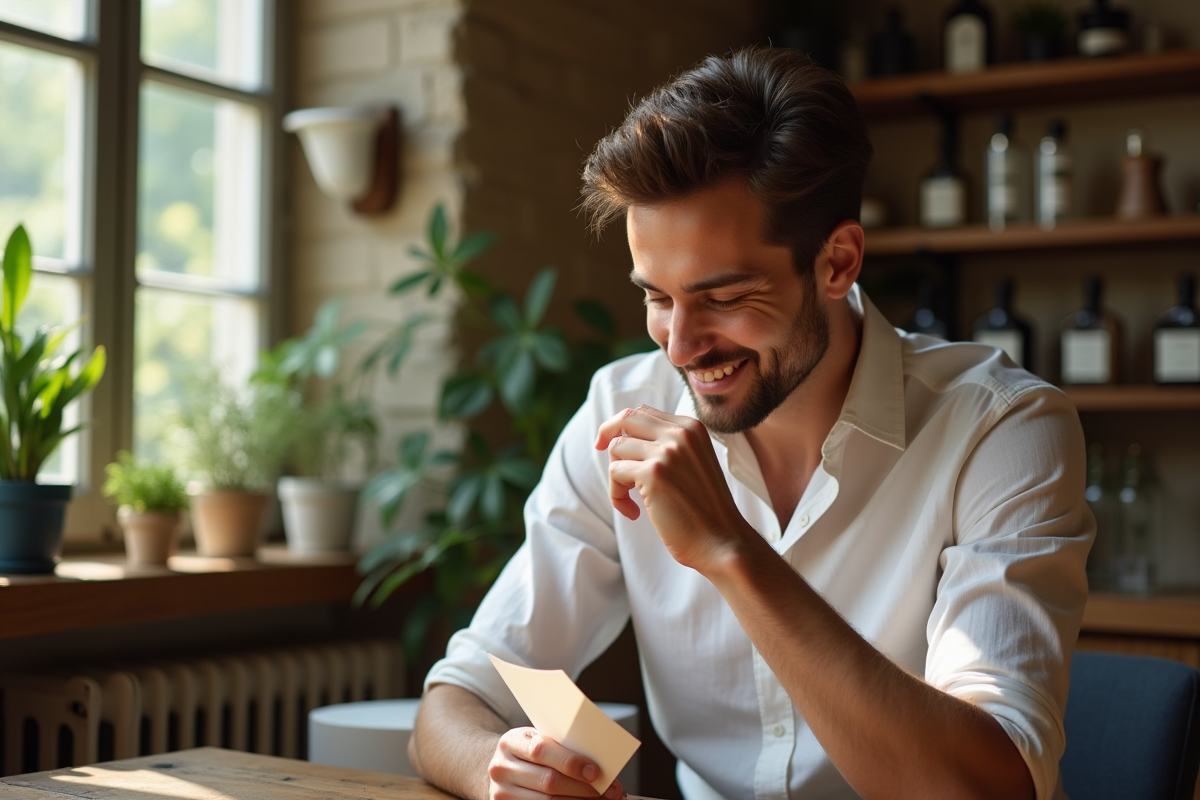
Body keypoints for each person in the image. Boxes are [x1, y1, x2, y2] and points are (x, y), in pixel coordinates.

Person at [408, 46, 1092, 800]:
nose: (679, 345)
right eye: (657, 297)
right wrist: (502, 773)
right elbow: (459, 697)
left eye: (724, 297)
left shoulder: (1002, 429)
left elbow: (988, 790)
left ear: (836, 262)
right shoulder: (618, 410)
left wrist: (731, 550)